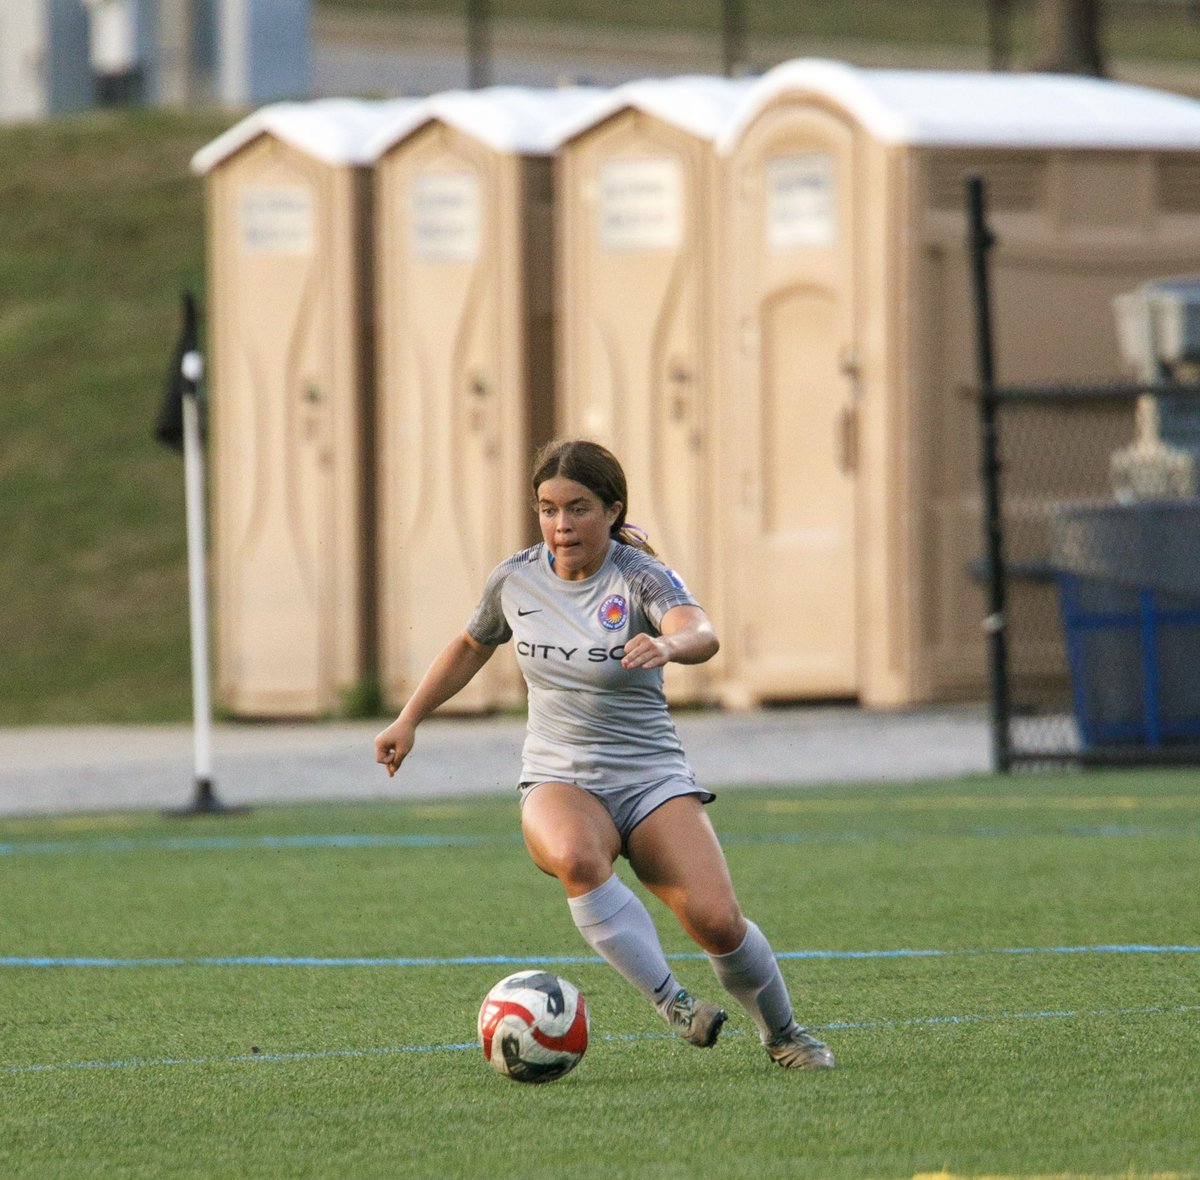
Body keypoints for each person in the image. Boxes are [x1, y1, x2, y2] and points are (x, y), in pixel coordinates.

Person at [374, 439, 834, 1070]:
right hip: (558, 777)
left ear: (613, 511)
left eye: (578, 508)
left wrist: (668, 647)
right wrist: (409, 719)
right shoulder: (515, 579)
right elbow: (472, 644)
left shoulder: (638, 576)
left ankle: (784, 1034)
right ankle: (673, 1002)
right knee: (575, 857)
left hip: (650, 779)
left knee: (718, 923)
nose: (561, 526)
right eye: (548, 509)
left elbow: (700, 632)